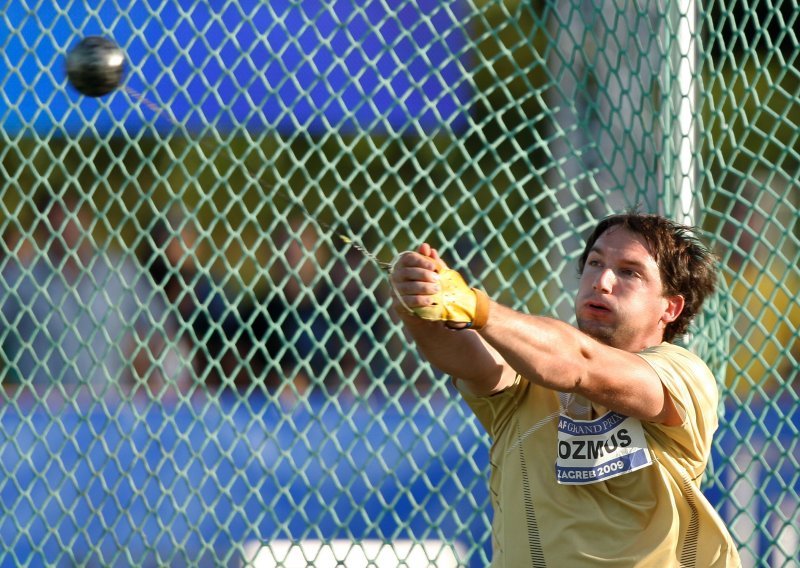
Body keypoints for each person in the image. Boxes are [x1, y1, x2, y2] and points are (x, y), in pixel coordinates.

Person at [390, 211, 741, 566]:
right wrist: (420, 302)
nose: (602, 281)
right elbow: (460, 353)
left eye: (629, 272)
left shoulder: (681, 375)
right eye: (594, 262)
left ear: (670, 307)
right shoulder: (528, 376)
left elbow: (581, 363)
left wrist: (476, 307)